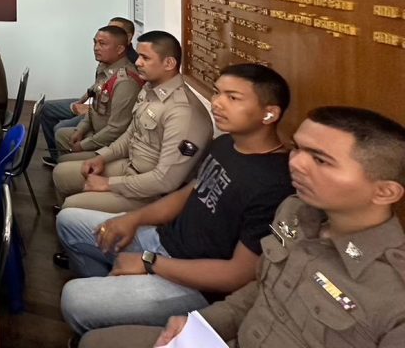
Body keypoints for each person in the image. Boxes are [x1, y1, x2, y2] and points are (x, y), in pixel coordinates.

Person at [79, 106, 405, 348]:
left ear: (385, 192)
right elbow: (260, 289)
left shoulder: (393, 293)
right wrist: (201, 325)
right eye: (298, 148)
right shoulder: (295, 213)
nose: (295, 163)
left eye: (320, 160)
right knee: (95, 342)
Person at [57, 64, 294, 334]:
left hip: (196, 283)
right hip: (165, 241)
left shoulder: (276, 184)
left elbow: (238, 275)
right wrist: (134, 219)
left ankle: (111, 316)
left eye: (233, 97)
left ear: (269, 113)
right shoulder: (225, 144)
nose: (217, 103)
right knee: (68, 221)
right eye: (217, 93)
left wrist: (149, 263)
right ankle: (115, 309)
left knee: (74, 298)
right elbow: (189, 192)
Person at [52, 31, 212, 214]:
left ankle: (79, 222)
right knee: (62, 174)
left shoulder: (183, 112)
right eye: (138, 56)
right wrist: (102, 157)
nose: (137, 63)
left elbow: (165, 181)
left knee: (71, 207)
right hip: (130, 166)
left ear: (169, 63)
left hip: (152, 194)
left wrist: (109, 184)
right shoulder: (150, 88)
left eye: (145, 58)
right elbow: (130, 135)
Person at [42, 25, 142, 168]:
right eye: (95, 42)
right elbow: (94, 106)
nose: (96, 48)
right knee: (62, 134)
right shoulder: (105, 68)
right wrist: (81, 129)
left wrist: (84, 145)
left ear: (120, 49)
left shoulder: (125, 82)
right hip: (97, 131)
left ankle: (71, 170)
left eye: (102, 44)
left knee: (62, 165)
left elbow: (116, 130)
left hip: (112, 144)